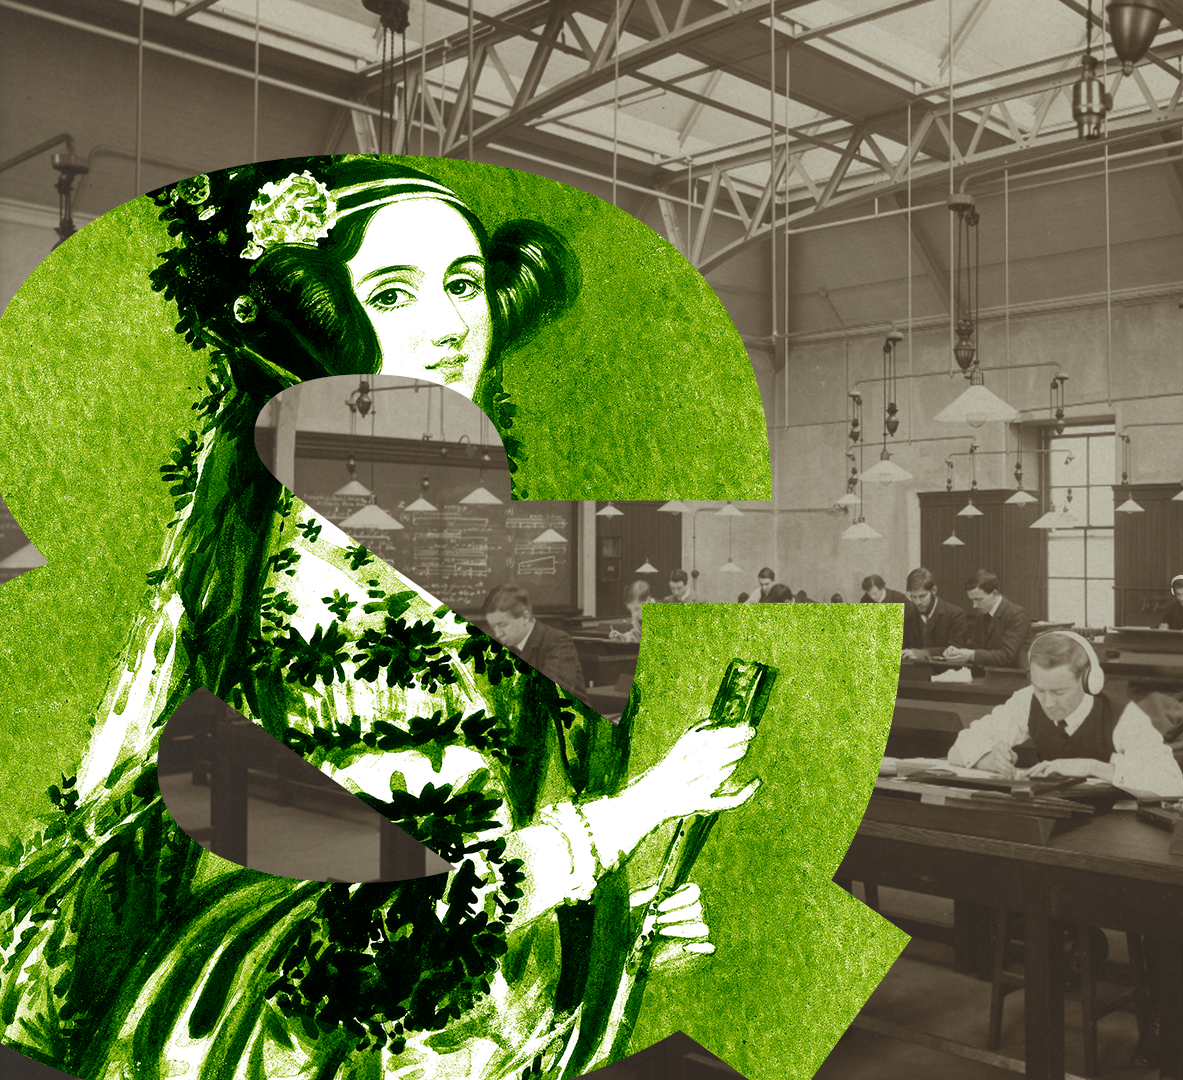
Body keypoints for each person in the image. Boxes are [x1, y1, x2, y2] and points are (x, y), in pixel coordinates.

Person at [0, 158, 755, 1080]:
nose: (448, 326)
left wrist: (621, 921)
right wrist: (633, 816)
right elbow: (385, 931)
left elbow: (478, 843)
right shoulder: (308, 557)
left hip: (473, 996)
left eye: (465, 283)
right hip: (310, 1021)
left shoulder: (502, 553)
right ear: (326, 325)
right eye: (393, 293)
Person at [947, 632, 1183, 796]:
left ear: (1088, 682)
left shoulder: (1123, 716)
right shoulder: (1026, 699)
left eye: (1060, 692)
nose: (1048, 702)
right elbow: (957, 750)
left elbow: (1172, 783)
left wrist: (1091, 767)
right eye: (1040, 689)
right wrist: (985, 757)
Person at [483, 583, 590, 700]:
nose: (498, 634)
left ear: (525, 617)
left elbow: (550, 696)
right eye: (493, 626)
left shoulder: (558, 643)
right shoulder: (493, 639)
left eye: (502, 625)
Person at [944, 569, 1033, 669]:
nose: (974, 606)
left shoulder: (1017, 615)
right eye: (972, 600)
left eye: (978, 600)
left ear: (994, 593)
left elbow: (1007, 655)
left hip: (1013, 677)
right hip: (988, 676)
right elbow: (976, 647)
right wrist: (957, 651)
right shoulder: (982, 615)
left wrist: (971, 654)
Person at [903, 567, 969, 660]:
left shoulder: (955, 614)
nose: (918, 602)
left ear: (934, 590)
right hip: (915, 672)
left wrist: (922, 654)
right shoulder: (909, 615)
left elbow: (955, 650)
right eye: (913, 597)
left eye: (922, 596)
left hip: (947, 672)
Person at [608, 578, 649, 642]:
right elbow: (637, 634)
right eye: (631, 611)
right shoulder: (639, 616)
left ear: (648, 601)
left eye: (637, 609)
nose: (634, 614)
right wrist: (622, 637)